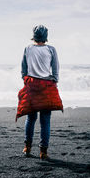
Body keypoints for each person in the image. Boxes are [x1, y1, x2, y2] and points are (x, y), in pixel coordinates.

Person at [16, 25, 63, 160]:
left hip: (32, 85)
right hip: (46, 86)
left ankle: (27, 147)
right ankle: (43, 152)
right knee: (45, 120)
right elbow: (55, 69)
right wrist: (54, 82)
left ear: (34, 36)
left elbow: (23, 69)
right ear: (45, 36)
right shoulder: (51, 49)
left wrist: (26, 81)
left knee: (31, 118)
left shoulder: (28, 49)